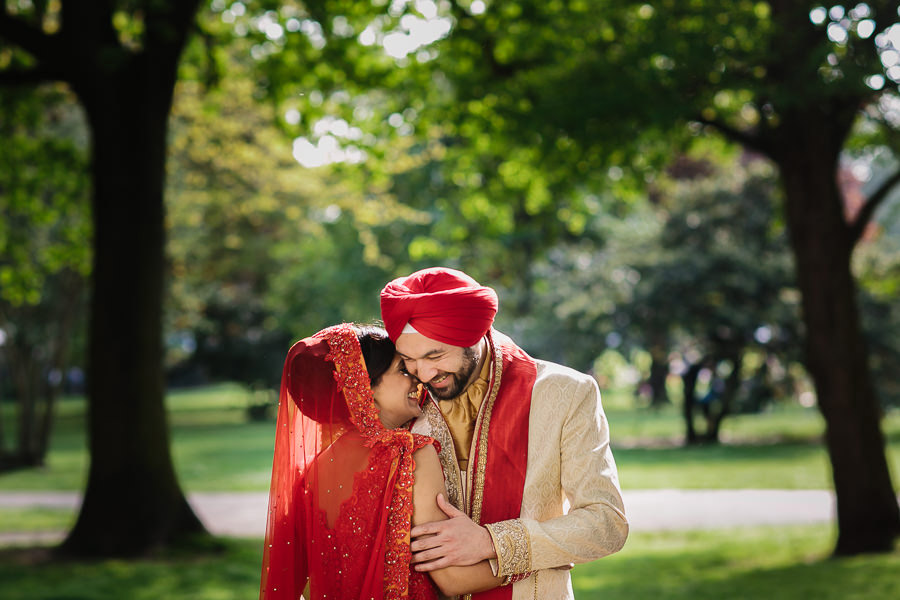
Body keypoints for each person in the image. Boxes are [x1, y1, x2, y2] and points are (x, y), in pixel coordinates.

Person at [380, 267, 629, 600]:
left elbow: (606, 524)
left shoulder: (564, 393)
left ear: (475, 334)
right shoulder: (403, 404)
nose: (424, 373)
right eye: (408, 359)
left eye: (435, 355)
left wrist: (491, 541)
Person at [259, 323, 502, 600]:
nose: (417, 378)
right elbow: (452, 579)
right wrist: (529, 555)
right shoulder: (409, 455)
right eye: (403, 368)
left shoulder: (312, 473)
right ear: (363, 387)